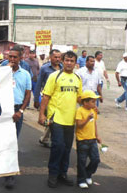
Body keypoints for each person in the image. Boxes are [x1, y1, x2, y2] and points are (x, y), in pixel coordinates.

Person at [38, 51, 82, 188]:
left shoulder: (77, 79)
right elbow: (46, 96)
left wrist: (89, 108)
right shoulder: (54, 76)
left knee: (67, 148)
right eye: (67, 60)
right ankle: (53, 174)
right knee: (57, 146)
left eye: (72, 61)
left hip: (70, 120)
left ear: (75, 63)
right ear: (63, 61)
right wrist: (42, 115)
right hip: (55, 118)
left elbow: (79, 98)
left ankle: (63, 173)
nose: (69, 63)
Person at [2, 46, 31, 188]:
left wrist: (20, 111)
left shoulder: (25, 74)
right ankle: (3, 167)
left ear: (20, 58)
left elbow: (27, 94)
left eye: (15, 57)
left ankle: (10, 174)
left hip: (16, 110)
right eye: (10, 56)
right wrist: (5, 72)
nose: (12, 59)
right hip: (3, 111)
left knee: (13, 142)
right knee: (4, 141)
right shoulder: (2, 71)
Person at [34, 49, 62, 147]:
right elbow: (38, 84)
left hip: (59, 99)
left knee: (54, 119)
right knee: (51, 119)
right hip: (47, 98)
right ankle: (48, 139)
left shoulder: (63, 68)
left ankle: (45, 138)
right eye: (55, 57)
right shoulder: (45, 68)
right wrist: (36, 99)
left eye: (59, 57)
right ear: (50, 57)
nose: (58, 59)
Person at [75, 90, 102, 189]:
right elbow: (79, 125)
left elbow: (94, 124)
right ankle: (81, 179)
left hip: (92, 139)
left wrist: (97, 135)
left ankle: (88, 174)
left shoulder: (93, 110)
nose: (94, 103)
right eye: (92, 101)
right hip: (82, 140)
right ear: (85, 102)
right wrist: (87, 118)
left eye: (95, 101)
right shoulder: (80, 111)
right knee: (82, 161)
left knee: (96, 159)